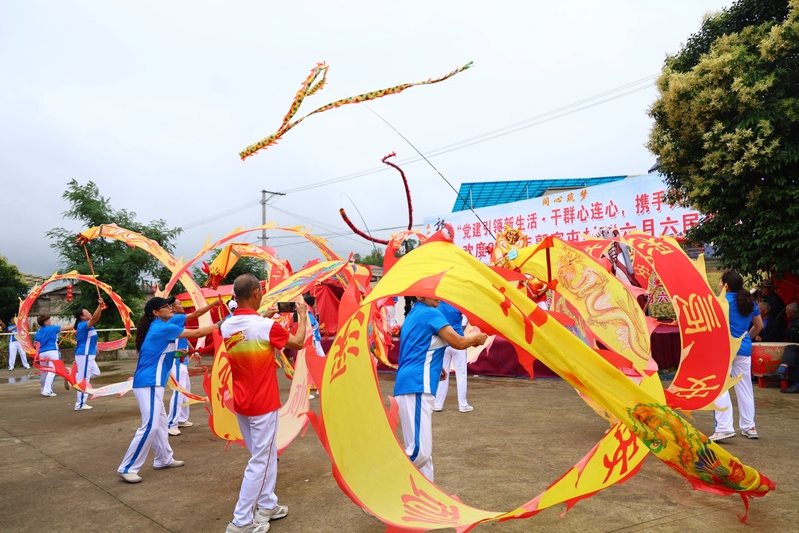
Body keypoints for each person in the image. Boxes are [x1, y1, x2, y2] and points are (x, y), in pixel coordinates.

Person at [220, 274, 307, 533]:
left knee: (265, 456)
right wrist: (302, 315)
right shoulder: (264, 326)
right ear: (257, 293)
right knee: (261, 460)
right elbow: (299, 342)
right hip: (263, 404)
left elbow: (250, 331)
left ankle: (267, 504)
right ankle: (241, 522)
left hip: (243, 403)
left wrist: (265, 317)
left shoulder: (228, 325)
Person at [117, 297, 219, 484]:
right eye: (166, 306)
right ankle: (127, 467)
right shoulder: (162, 327)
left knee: (161, 424)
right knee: (150, 426)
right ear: (156, 312)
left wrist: (178, 353)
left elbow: (162, 351)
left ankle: (163, 459)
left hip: (152, 383)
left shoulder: (160, 325)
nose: (171, 308)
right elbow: (198, 333)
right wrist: (223, 323)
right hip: (148, 383)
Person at [394, 296, 487, 482]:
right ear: (420, 295)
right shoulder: (430, 312)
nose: (437, 295)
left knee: (423, 454)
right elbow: (459, 342)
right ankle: (374, 489)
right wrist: (476, 337)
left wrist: (437, 367)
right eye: (431, 291)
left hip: (411, 384)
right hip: (417, 385)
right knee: (419, 453)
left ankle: (429, 500)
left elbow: (417, 347)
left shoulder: (415, 312)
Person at [710, 271, 763, 441]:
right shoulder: (749, 302)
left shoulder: (721, 302)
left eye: (720, 282)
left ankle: (725, 427)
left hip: (724, 349)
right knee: (745, 387)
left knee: (720, 386)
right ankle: (749, 426)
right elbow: (759, 325)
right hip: (744, 348)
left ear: (726, 285)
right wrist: (746, 336)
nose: (719, 284)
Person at [166, 298, 221, 436]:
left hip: (182, 360)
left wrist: (194, 351)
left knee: (186, 389)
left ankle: (182, 419)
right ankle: (171, 423)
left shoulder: (178, 321)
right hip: (176, 360)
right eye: (180, 304)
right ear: (172, 308)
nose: (182, 306)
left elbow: (184, 337)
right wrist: (212, 305)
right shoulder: (175, 318)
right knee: (179, 391)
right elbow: (196, 314)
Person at [433, 300, 472, 413]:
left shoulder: (437, 306)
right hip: (458, 342)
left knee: (443, 374)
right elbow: (466, 317)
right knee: (461, 374)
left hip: (443, 343)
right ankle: (463, 404)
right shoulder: (457, 304)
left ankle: (438, 404)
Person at [73, 298, 104, 411]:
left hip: (89, 354)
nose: (89, 313)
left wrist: (95, 347)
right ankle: (80, 404)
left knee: (95, 373)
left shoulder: (89, 325)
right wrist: (99, 306)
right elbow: (95, 318)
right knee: (84, 379)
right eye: (87, 313)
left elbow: (96, 318)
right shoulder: (83, 325)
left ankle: (73, 377)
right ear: (82, 317)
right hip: (84, 354)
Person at [33, 315, 75, 397]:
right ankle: (47, 390)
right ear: (45, 322)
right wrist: (78, 323)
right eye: (48, 320)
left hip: (42, 353)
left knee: (44, 371)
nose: (50, 321)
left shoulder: (38, 332)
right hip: (52, 351)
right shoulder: (52, 328)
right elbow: (67, 327)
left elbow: (35, 344)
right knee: (52, 371)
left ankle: (43, 389)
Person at [764, 303, 799, 393]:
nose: (786, 312)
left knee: (791, 349)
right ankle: (783, 373)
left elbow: (791, 334)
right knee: (791, 349)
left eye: (787, 310)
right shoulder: (794, 321)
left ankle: (783, 373)